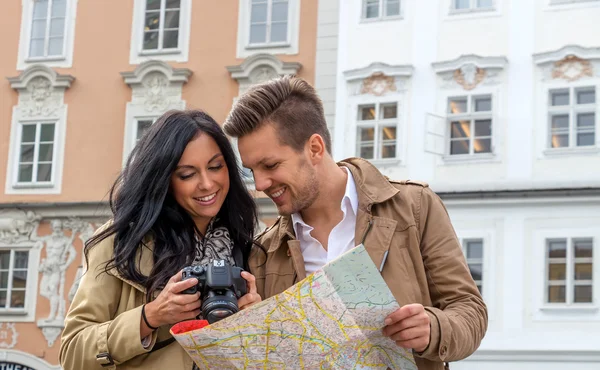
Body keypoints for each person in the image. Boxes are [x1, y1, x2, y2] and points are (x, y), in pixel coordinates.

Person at [223, 76, 488, 370]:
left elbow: (470, 311)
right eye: (252, 170)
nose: (260, 184)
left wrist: (433, 329)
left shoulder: (414, 206)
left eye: (270, 165)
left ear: (314, 148)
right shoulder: (263, 250)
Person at [60, 110, 263, 370]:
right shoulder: (120, 243)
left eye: (215, 167)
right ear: (164, 180)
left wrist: (255, 320)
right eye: (187, 174)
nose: (207, 183)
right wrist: (151, 316)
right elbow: (72, 354)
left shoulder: (249, 244)